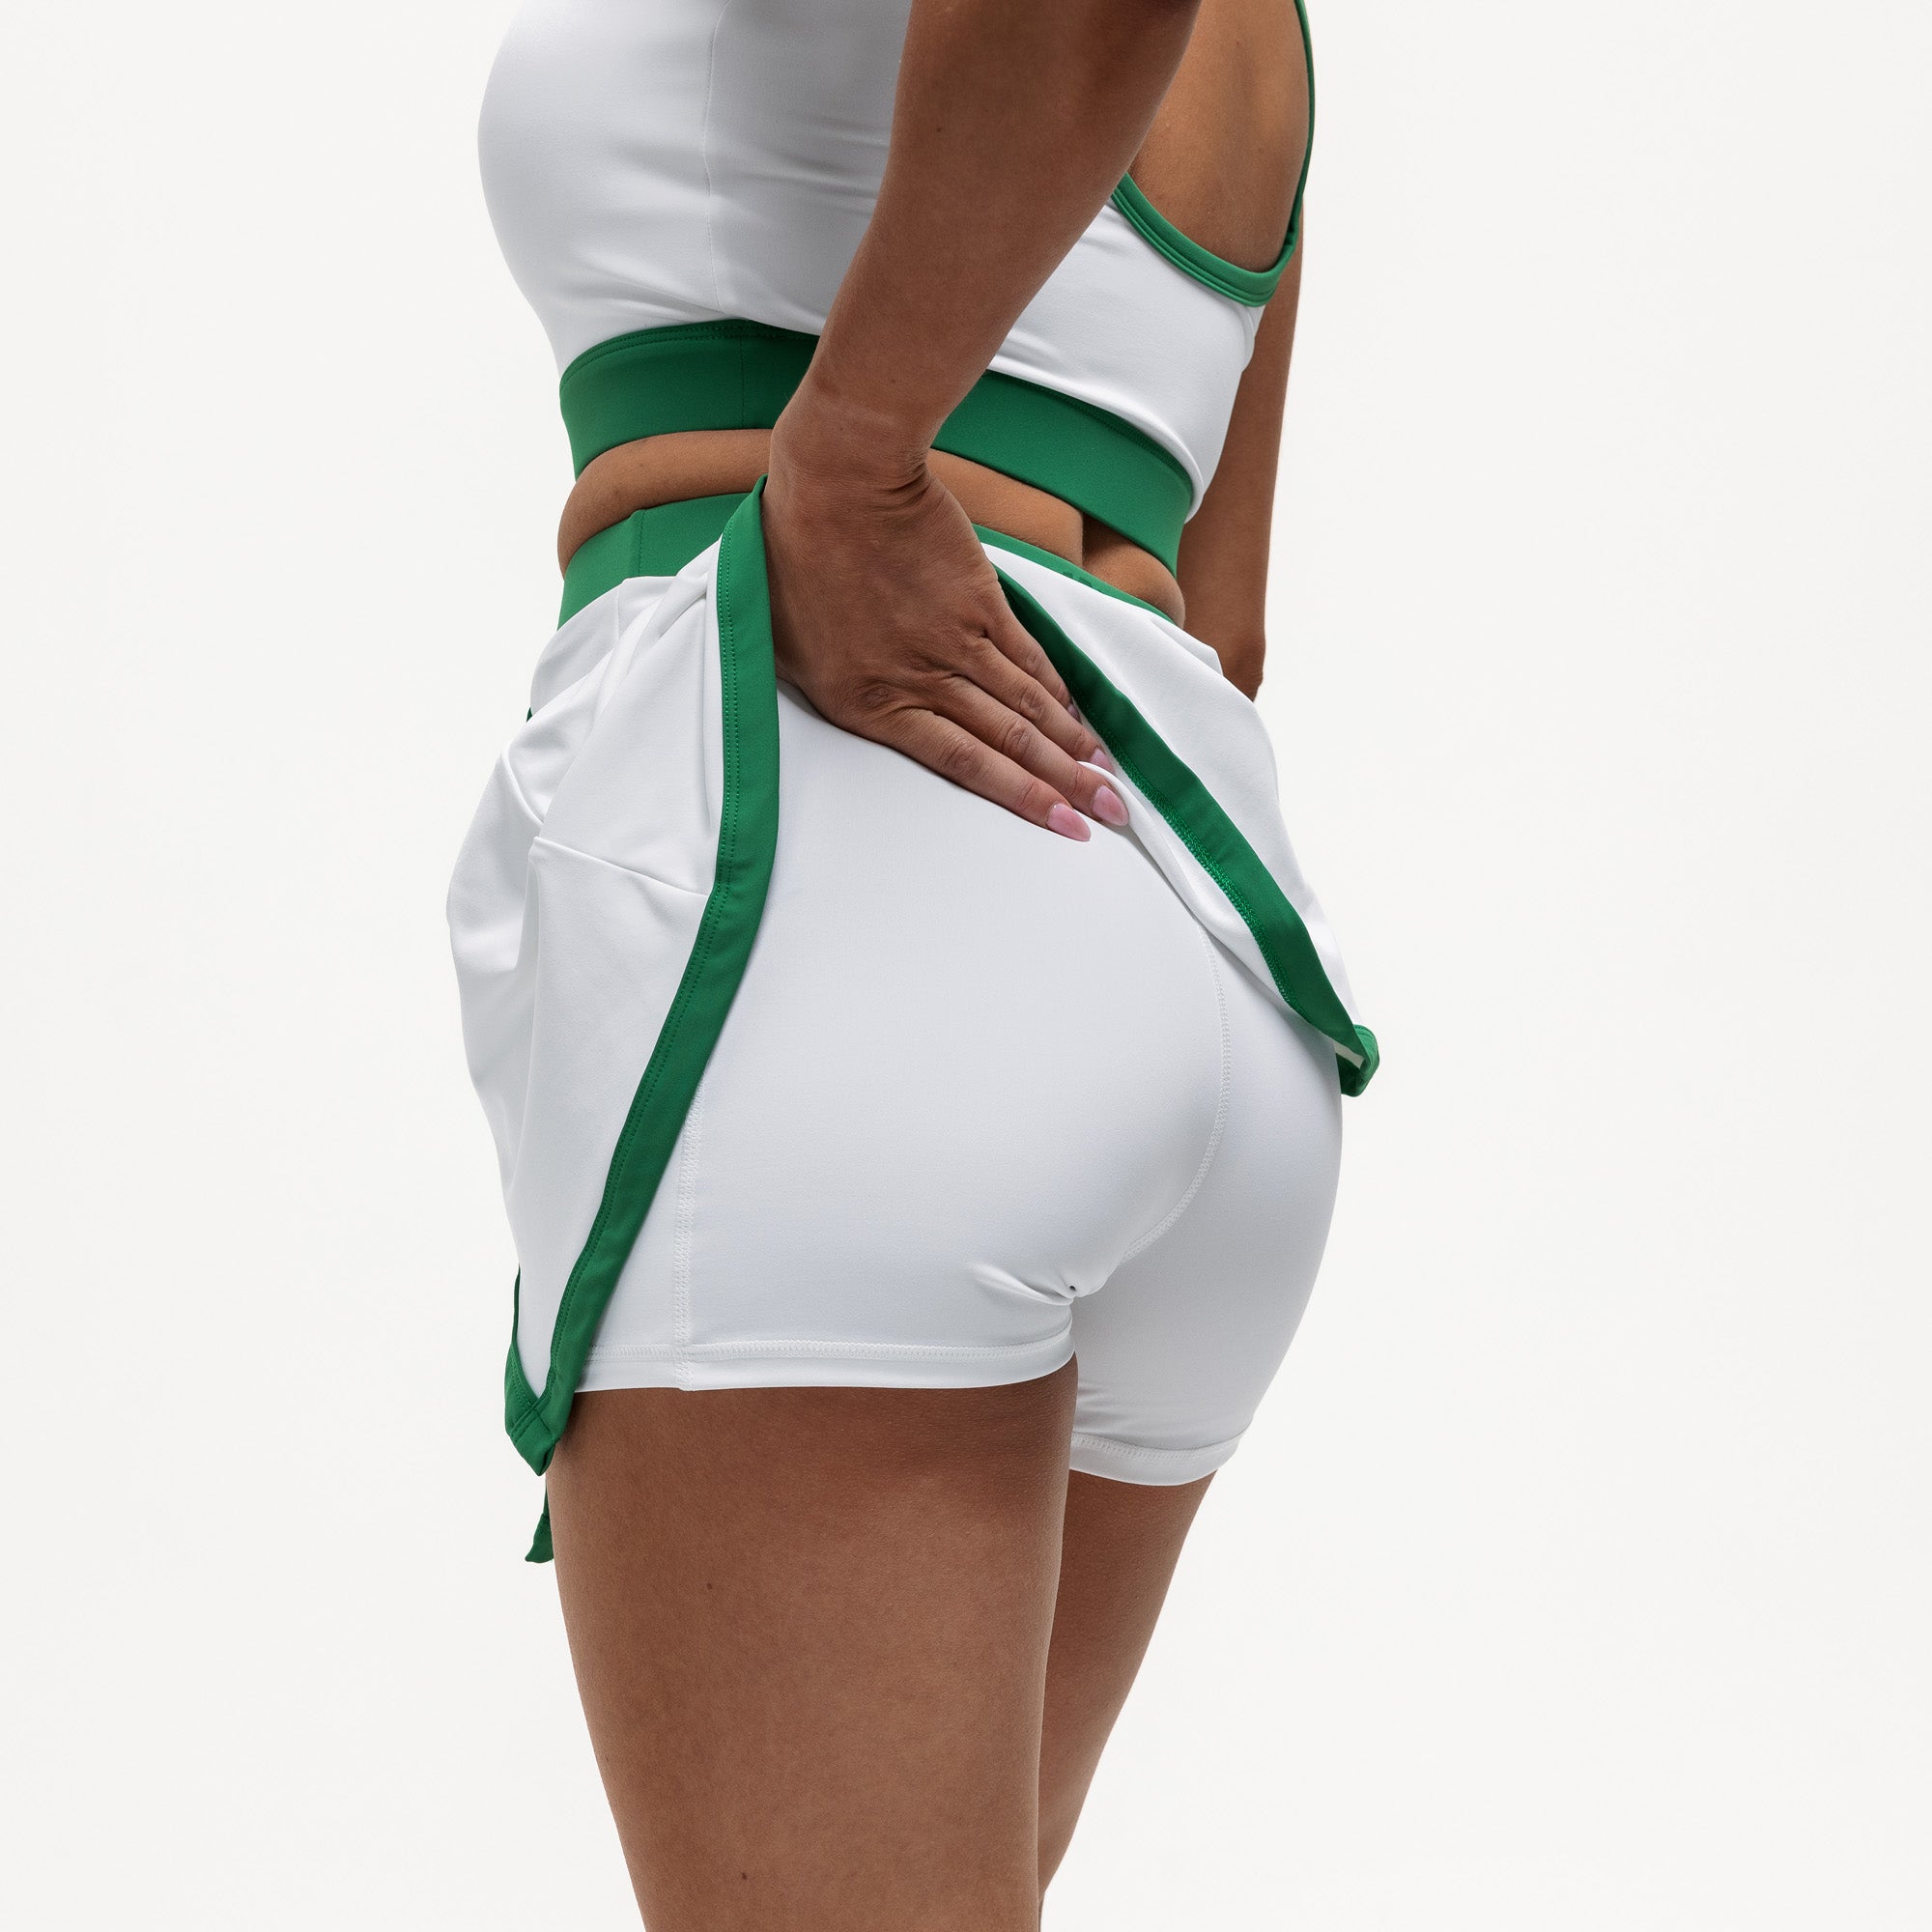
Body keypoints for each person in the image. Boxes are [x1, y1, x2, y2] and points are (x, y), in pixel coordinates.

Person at [448, 0, 1378, 1919]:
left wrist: (858, 456)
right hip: (1168, 902)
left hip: (855, 900)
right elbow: (1221, 621)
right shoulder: (1271, 35)